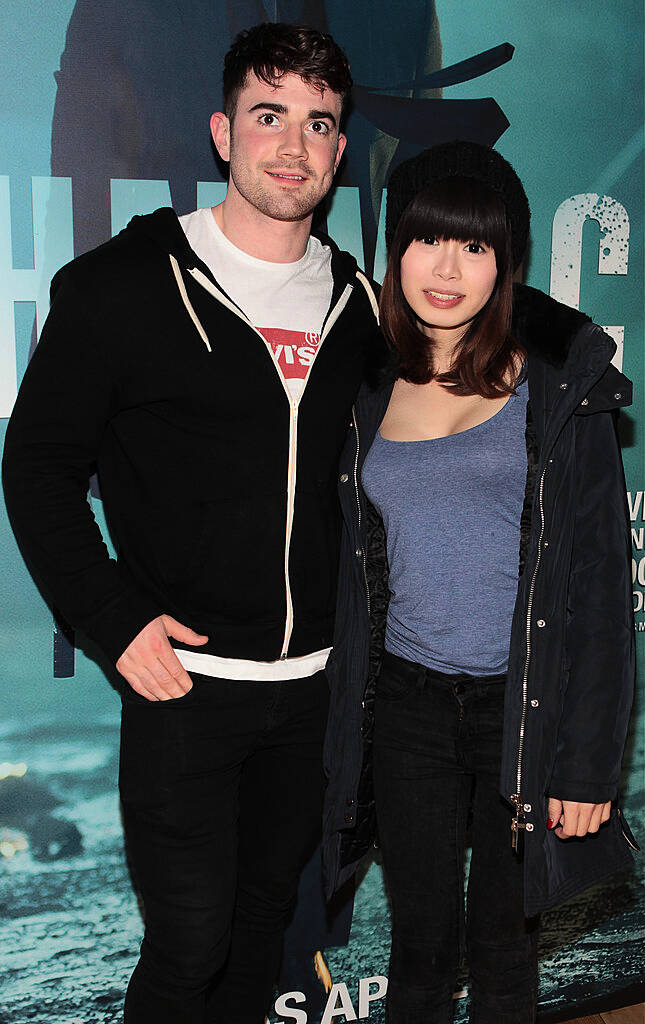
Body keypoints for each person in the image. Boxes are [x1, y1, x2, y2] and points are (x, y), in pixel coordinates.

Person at [2, 23, 381, 1024]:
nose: (292, 146)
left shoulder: (362, 304)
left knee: (265, 927)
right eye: (269, 117)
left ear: (341, 151)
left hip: (316, 700)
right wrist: (114, 620)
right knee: (189, 944)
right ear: (223, 133)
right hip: (186, 695)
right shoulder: (120, 288)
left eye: (318, 123)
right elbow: (36, 470)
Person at [322, 141, 636, 1023]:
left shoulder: (557, 385)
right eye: (427, 240)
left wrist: (586, 766)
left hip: (521, 711)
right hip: (410, 708)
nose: (447, 268)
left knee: (504, 955)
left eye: (474, 246)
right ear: (396, 251)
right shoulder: (362, 380)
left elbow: (601, 593)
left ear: (505, 262)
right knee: (419, 951)